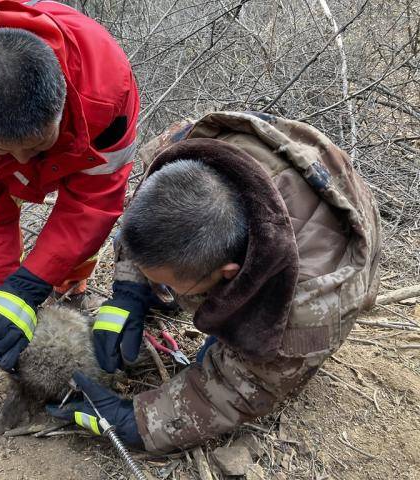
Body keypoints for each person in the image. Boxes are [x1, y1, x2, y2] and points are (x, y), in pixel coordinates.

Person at [49, 111, 381, 452]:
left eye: (173, 287)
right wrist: (129, 291)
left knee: (243, 350)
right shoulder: (186, 151)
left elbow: (245, 388)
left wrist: (137, 421)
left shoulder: (309, 306)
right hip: (276, 187)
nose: (166, 292)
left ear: (229, 274)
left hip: (337, 231)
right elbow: (146, 222)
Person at [0, 0, 139, 372]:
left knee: (73, 244)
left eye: (35, 146)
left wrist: (32, 283)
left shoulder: (107, 90)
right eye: (4, 148)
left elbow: (92, 202)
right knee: (7, 286)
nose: (21, 161)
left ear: (62, 99)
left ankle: (71, 289)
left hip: (77, 143)